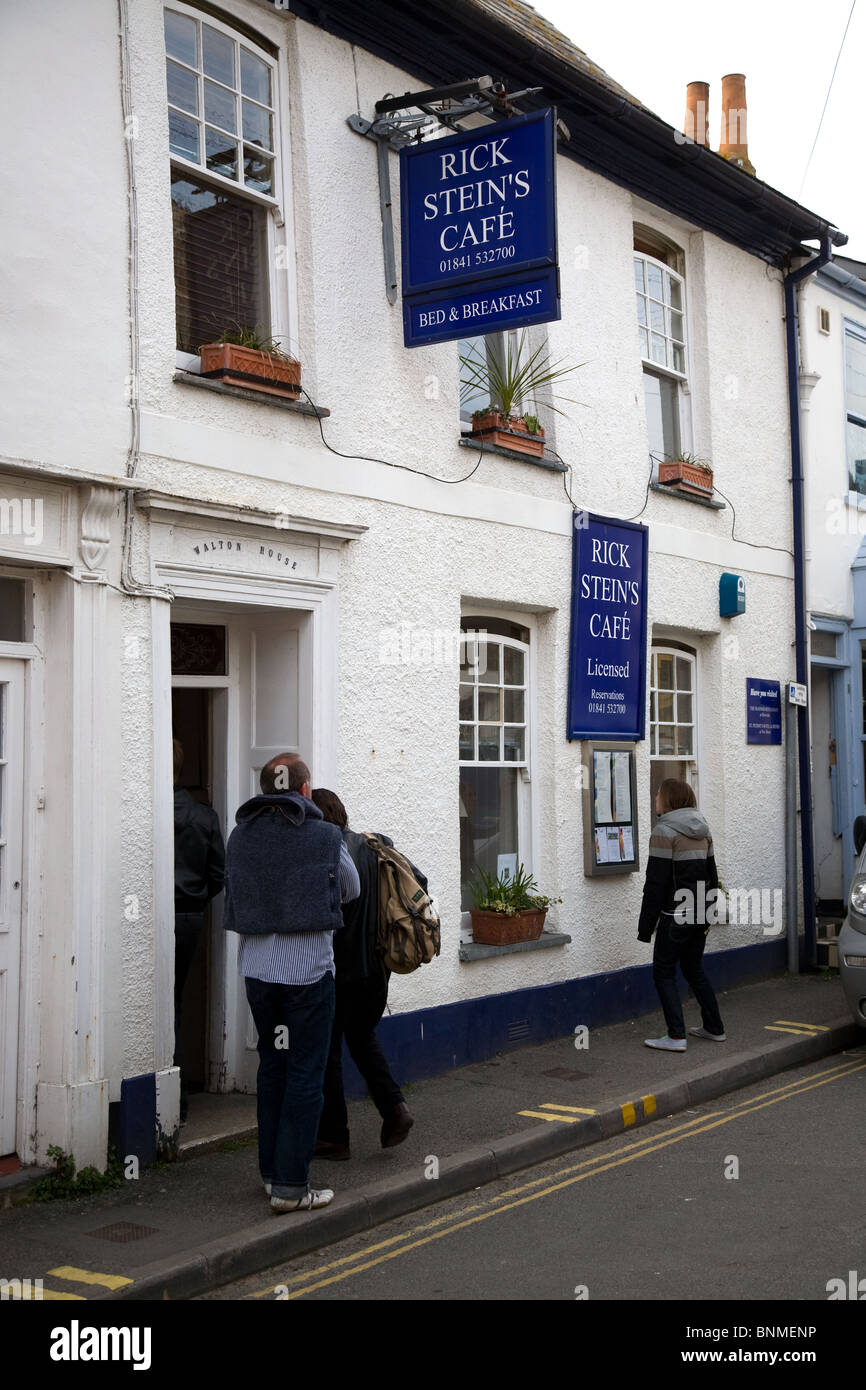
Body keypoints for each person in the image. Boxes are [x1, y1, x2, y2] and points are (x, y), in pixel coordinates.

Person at [223, 754, 360, 1214]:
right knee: (306, 1073)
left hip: (258, 970)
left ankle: (271, 1174)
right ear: (304, 790)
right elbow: (351, 887)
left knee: (273, 1067)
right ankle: (290, 1188)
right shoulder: (325, 835)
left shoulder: (240, 836)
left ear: (266, 790)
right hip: (308, 972)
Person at [311, 789, 416, 1159]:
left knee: (328, 1051)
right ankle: (395, 1110)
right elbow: (416, 885)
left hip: (340, 970)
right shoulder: (377, 846)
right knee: (361, 1038)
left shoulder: (326, 852)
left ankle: (335, 1137)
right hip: (376, 971)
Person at [637, 778, 726, 1052]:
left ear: (668, 799)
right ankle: (714, 1028)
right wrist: (711, 911)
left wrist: (646, 926)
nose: (655, 800)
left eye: (658, 795)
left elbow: (656, 882)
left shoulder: (664, 831)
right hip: (699, 912)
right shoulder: (704, 830)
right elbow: (712, 875)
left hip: (674, 914)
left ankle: (676, 1036)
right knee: (693, 968)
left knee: (663, 972)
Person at [173, 738, 225, 1122]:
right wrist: (195, 898)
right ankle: (179, 1097)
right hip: (190, 915)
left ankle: (173, 1100)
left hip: (158, 914)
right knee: (175, 1000)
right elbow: (218, 875)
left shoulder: (148, 811)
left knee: (163, 1005)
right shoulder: (204, 816)